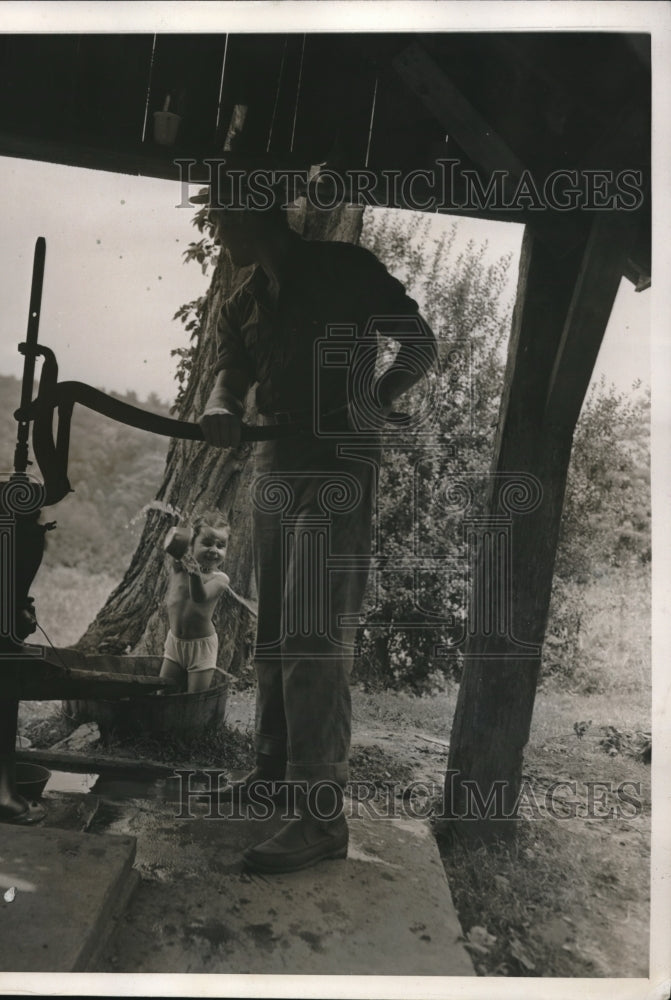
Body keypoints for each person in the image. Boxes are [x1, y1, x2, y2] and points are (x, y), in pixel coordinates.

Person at [196, 175, 437, 873]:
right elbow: (227, 375)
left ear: (255, 213)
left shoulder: (344, 270)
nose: (216, 232)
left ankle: (319, 820)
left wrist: (373, 401)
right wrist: (220, 404)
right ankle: (272, 775)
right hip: (276, 467)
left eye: (221, 219)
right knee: (273, 632)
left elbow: (417, 345)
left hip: (336, 468)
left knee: (309, 634)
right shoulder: (243, 301)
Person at [158, 510, 231, 694]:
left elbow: (200, 597)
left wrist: (194, 572)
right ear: (192, 545)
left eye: (221, 545)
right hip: (175, 643)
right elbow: (172, 545)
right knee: (163, 693)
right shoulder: (179, 566)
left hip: (201, 647)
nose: (214, 550)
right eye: (207, 543)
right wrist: (180, 539)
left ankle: (192, 723)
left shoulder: (220, 579)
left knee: (194, 697)